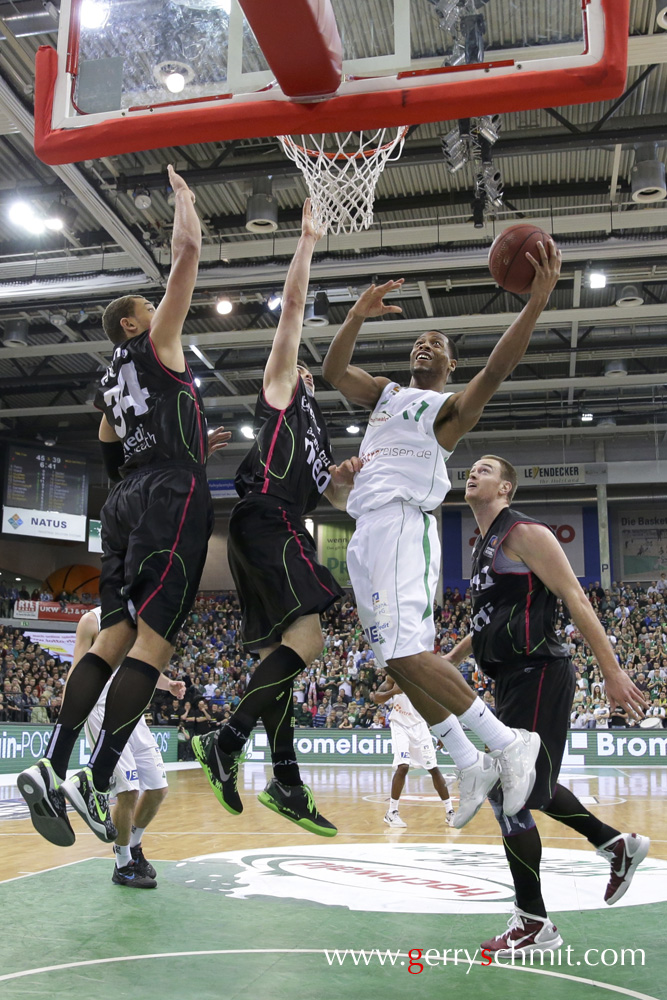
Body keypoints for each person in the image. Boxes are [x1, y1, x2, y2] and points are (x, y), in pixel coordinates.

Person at [17, 165, 224, 848]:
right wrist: (185, 207)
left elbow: (110, 444)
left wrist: (179, 450)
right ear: (136, 321)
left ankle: (55, 761)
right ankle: (98, 776)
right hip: (168, 491)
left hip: (128, 497)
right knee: (153, 644)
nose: (164, 314)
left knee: (112, 635)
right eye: (151, 307)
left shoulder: (110, 379)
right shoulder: (153, 342)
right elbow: (187, 256)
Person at [322, 240, 561, 827]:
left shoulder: (448, 408)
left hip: (404, 524)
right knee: (400, 665)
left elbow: (499, 368)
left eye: (438, 345)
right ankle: (465, 758)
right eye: (419, 341)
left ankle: (506, 743)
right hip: (365, 529)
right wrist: (355, 316)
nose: (424, 344)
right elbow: (332, 371)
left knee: (409, 654)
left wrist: (535, 303)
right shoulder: (385, 394)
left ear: (449, 364)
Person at [193, 200, 358, 837]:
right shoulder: (283, 393)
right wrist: (307, 241)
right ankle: (227, 742)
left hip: (269, 524)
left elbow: (336, 501)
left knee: (278, 656)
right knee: (309, 641)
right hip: (267, 520)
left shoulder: (315, 433)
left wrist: (346, 481)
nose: (305, 369)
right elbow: (292, 310)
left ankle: (286, 780)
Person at [448, 454, 649, 955]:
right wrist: (443, 663)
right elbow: (484, 624)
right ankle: (614, 845)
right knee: (529, 785)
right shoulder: (486, 546)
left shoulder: (525, 532)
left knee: (507, 791)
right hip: (514, 677)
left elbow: (576, 600)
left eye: (487, 468)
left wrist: (613, 671)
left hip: (539, 671)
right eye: (472, 467)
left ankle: (534, 922)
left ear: (507, 489)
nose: (474, 471)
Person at [75, 607, 183, 889]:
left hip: (134, 713)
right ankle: (122, 864)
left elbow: (144, 665)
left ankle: (134, 846)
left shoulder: (141, 619)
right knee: (128, 791)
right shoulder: (91, 621)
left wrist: (167, 684)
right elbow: (78, 670)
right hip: (101, 713)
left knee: (158, 789)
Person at [372, 676, 454, 828]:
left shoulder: (424, 678)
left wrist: (441, 731)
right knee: (403, 766)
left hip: (420, 726)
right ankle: (392, 812)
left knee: (434, 769)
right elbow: (376, 698)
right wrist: (393, 691)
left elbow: (435, 707)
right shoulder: (393, 677)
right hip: (400, 725)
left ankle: (450, 812)